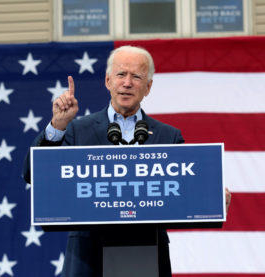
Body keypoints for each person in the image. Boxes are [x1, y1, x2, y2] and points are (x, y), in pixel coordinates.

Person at [23, 45, 231, 277]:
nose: (127, 83)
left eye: (137, 76)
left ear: (148, 87)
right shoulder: (77, 130)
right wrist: (57, 126)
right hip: (88, 256)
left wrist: (212, 199)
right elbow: (33, 174)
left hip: (147, 254)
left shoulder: (167, 136)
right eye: (121, 74)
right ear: (108, 81)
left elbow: (184, 192)